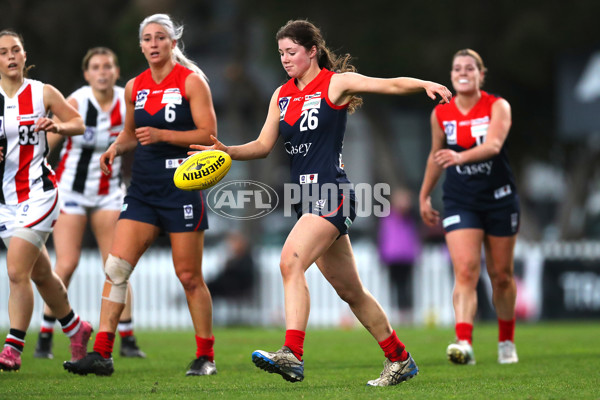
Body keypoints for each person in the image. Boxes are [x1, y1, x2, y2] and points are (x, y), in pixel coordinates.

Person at [191, 19, 452, 386]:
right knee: (351, 292)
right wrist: (227, 151)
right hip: (305, 200)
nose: (285, 59)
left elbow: (387, 84)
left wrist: (423, 83)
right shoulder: (281, 95)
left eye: (292, 52)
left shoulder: (334, 82)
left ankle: (292, 354)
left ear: (312, 50)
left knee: (289, 261)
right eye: (281, 53)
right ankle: (400, 359)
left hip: (333, 194)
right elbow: (264, 146)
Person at [63, 14, 217, 377]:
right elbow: (133, 133)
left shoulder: (191, 82)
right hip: (144, 190)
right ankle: (102, 353)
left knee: (189, 276)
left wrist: (164, 136)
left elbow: (209, 135)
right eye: (146, 39)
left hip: (181, 188)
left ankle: (205, 356)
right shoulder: (135, 86)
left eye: (160, 37)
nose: (152, 44)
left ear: (173, 43)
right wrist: (116, 147)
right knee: (115, 269)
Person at [33, 47, 145, 360]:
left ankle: (128, 338)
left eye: (108, 66)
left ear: (116, 71)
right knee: (66, 263)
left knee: (116, 265)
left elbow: (140, 136)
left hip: (109, 191)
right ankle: (44, 335)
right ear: (87, 74)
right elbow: (48, 141)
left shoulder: (127, 100)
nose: (102, 72)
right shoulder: (77, 101)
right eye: (96, 67)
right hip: (71, 190)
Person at [418, 49, 519, 365]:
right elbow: (437, 156)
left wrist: (459, 157)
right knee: (465, 271)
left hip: (499, 197)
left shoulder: (497, 106)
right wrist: (424, 195)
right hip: (460, 199)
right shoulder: (441, 114)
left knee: (501, 275)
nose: (463, 72)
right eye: (457, 68)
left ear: (481, 74)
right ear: (451, 75)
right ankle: (464, 342)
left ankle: (506, 341)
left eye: (469, 68)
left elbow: (493, 146)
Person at [0, 30, 92, 371]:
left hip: (40, 193)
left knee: (15, 270)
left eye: (16, 50)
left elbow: (79, 123)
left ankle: (13, 348)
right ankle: (75, 327)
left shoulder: (42, 92)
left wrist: (57, 126)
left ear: (25, 56)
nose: (10, 56)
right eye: (3, 52)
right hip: (4, 201)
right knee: (40, 274)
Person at [377, 187, 421, 317]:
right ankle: (399, 312)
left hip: (407, 256)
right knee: (395, 286)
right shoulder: (387, 215)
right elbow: (382, 236)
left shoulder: (411, 216)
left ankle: (407, 312)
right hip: (392, 257)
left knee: (406, 286)